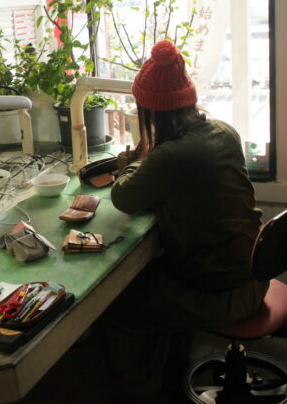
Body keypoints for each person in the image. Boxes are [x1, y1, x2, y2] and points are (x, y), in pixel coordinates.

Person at [103, 40, 268, 399]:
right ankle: (173, 369)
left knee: (116, 303)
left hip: (224, 296)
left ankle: (142, 391)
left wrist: (133, 162)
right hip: (254, 274)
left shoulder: (172, 155)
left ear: (152, 112)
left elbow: (122, 197)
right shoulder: (224, 131)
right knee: (151, 276)